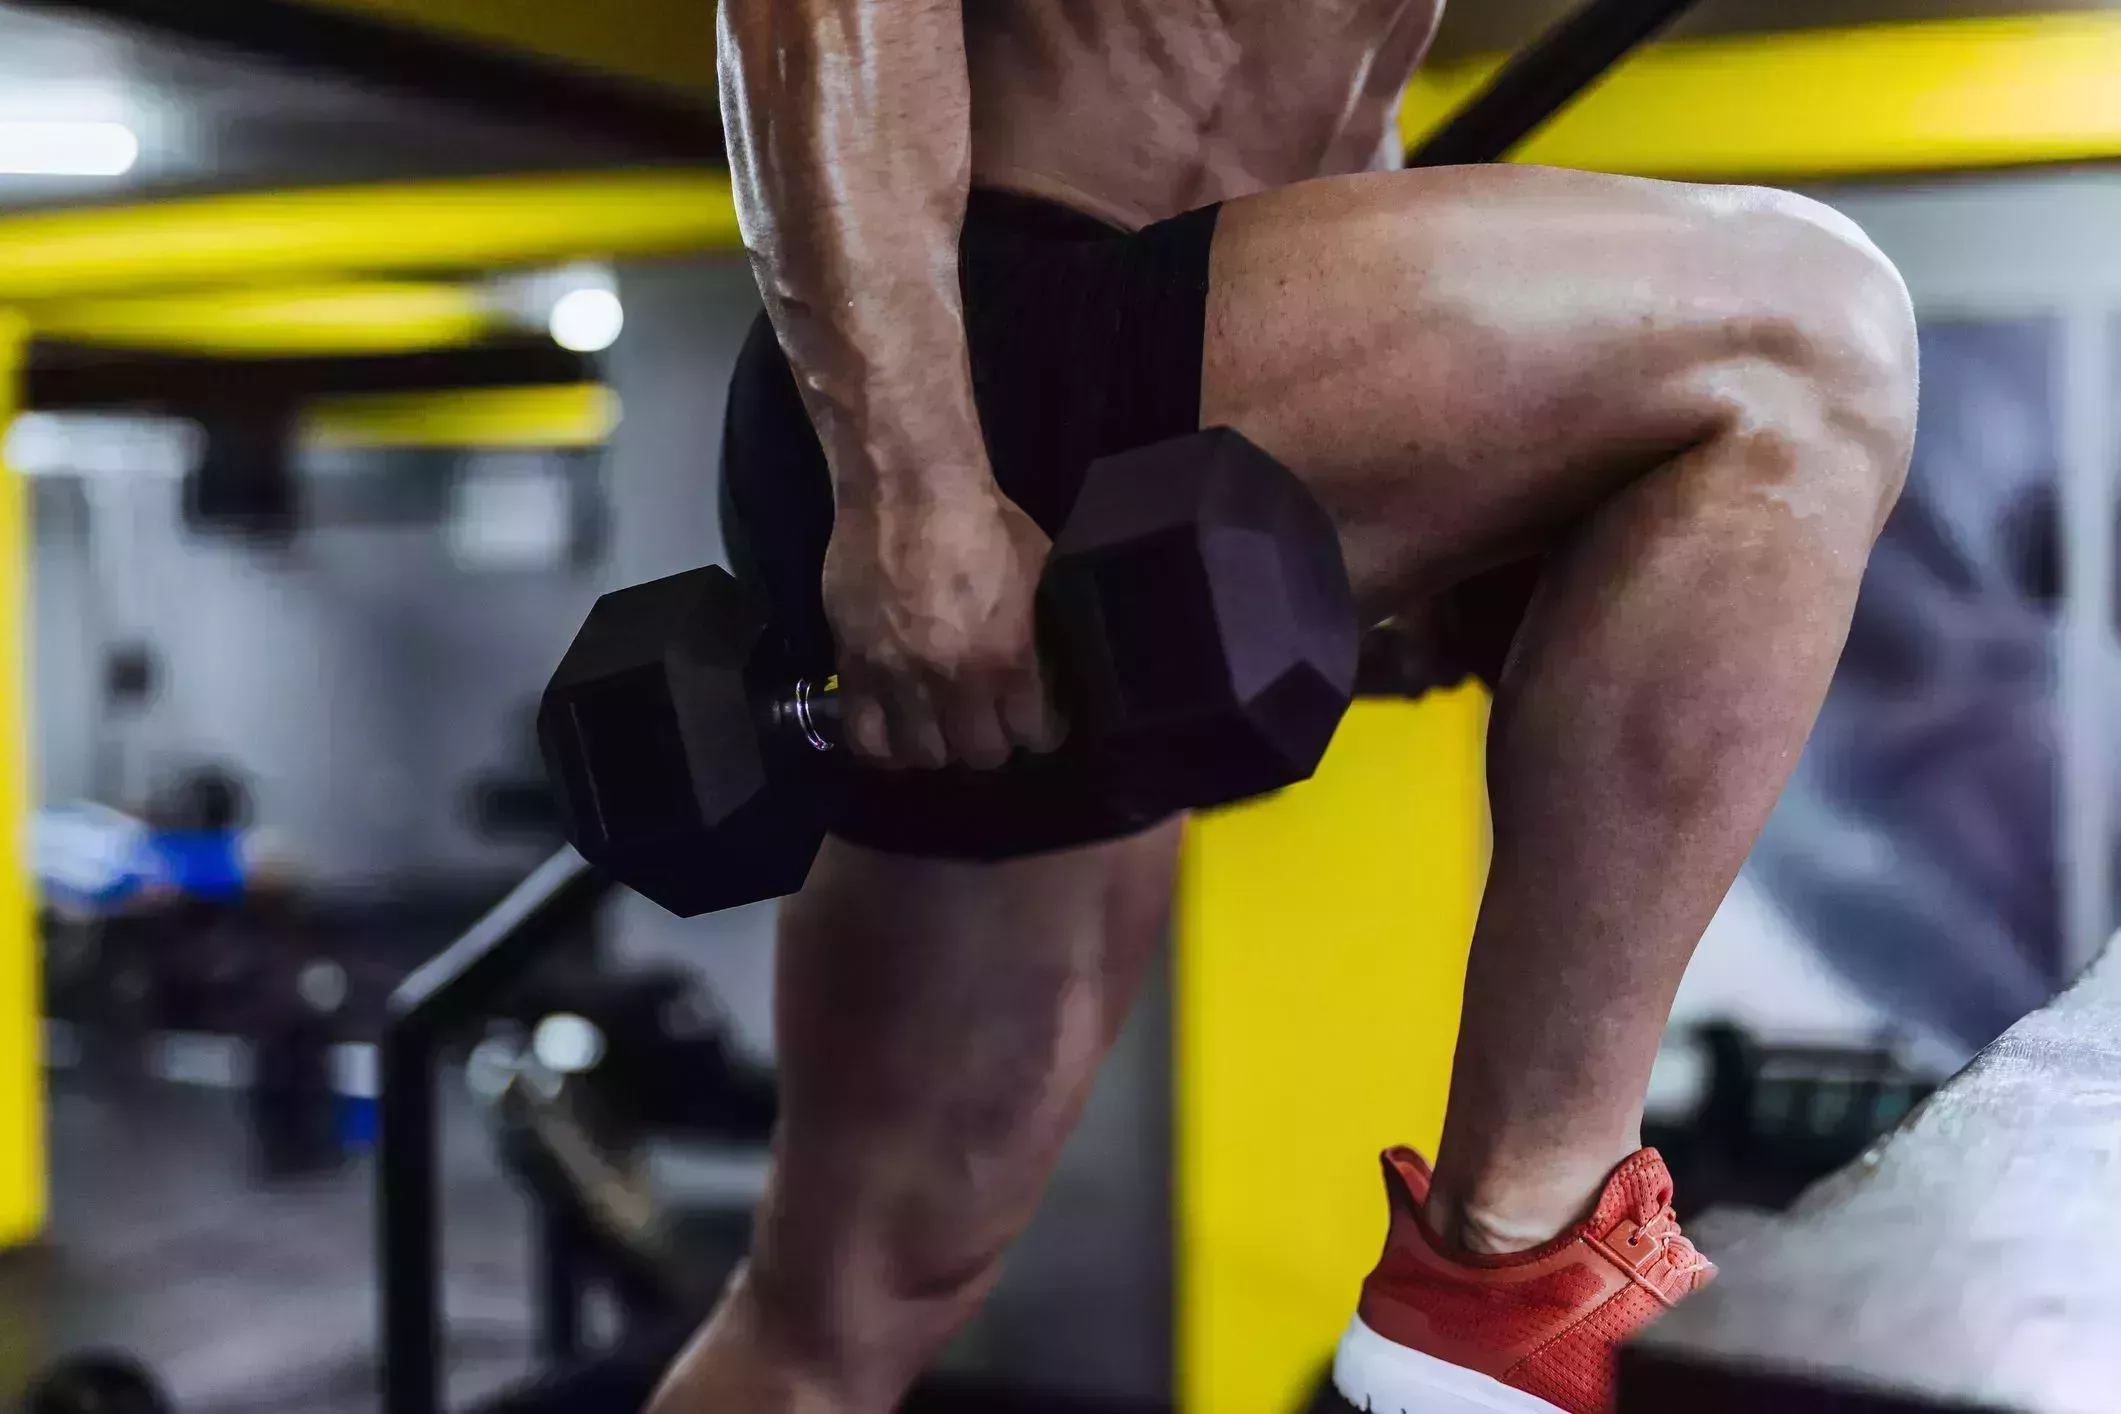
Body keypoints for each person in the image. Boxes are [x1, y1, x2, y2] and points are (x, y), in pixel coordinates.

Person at [651, 2, 1920, 1411]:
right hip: (991, 348)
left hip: (1156, 441)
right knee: (1809, 335)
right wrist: (909, 468)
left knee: (857, 1291)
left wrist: (1418, 520)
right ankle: (1520, 1256)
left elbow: (1332, 100)